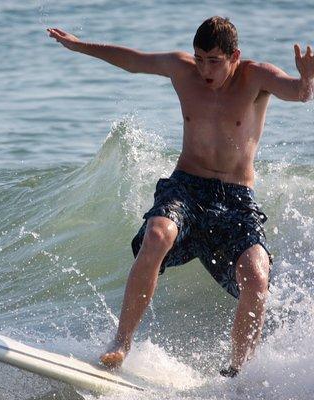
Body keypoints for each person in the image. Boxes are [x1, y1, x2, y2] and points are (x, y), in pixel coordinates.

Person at [47, 16, 314, 376]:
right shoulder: (182, 69)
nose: (204, 69)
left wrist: (307, 78)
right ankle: (121, 342)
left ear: (235, 55)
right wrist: (80, 45)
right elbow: (133, 61)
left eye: (214, 61)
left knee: (257, 276)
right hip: (186, 186)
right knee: (157, 235)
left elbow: (297, 92)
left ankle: (238, 374)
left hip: (236, 198)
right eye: (199, 58)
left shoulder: (256, 77)